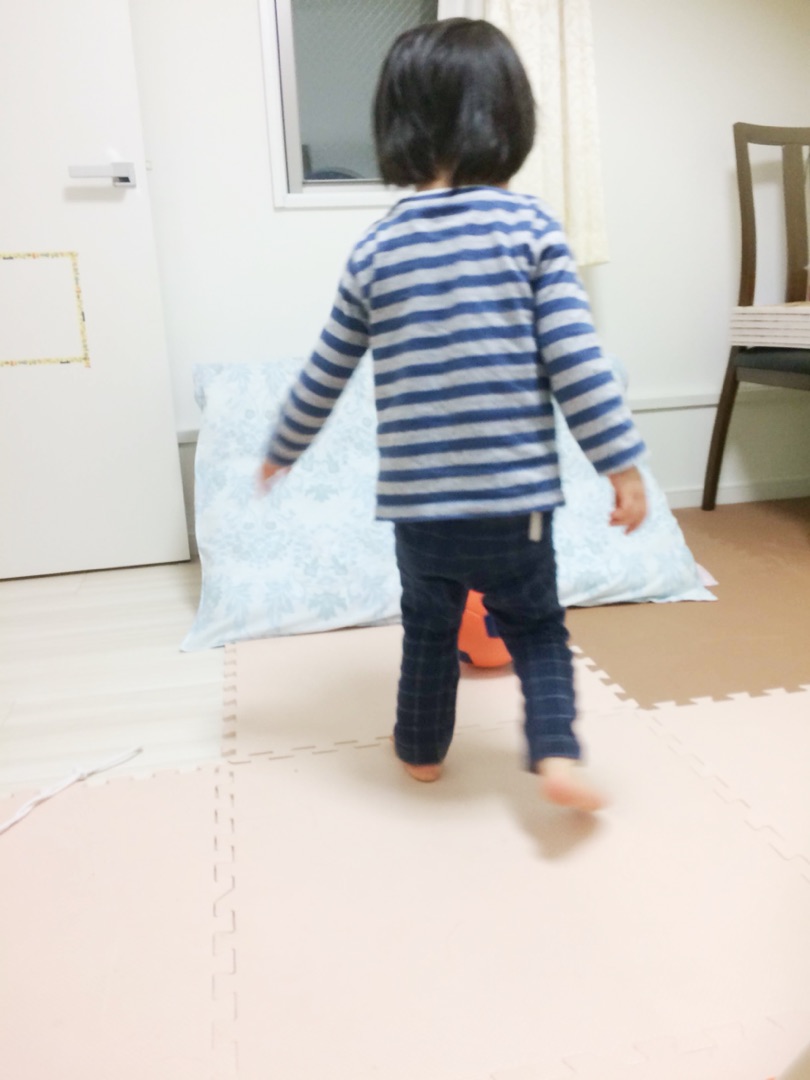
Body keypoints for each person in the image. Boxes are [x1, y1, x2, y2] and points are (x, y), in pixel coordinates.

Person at [259, 18, 647, 811]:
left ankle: (420, 751)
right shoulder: (530, 230)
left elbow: (326, 369)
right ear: (508, 120)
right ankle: (556, 753)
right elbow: (578, 362)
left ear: (398, 125)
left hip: (421, 514)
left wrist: (283, 447)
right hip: (514, 510)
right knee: (536, 627)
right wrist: (622, 464)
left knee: (429, 629)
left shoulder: (376, 248)